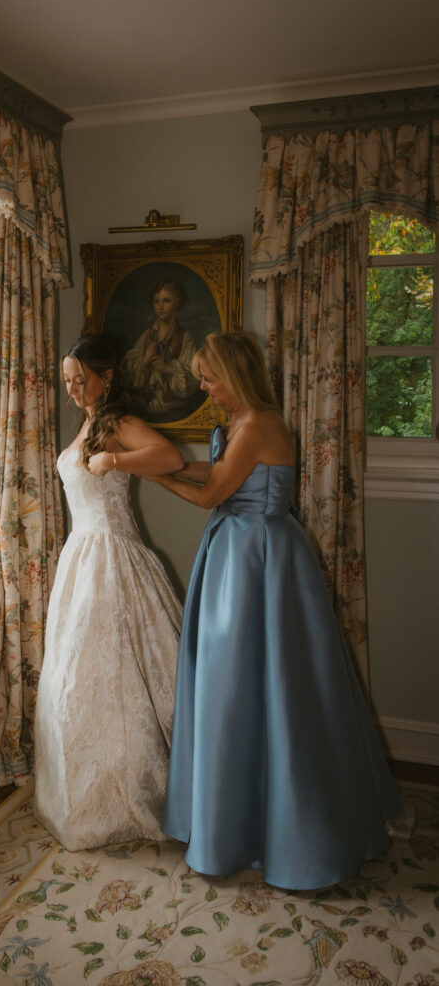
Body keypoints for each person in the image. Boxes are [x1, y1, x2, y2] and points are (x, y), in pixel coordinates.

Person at [146, 331, 403, 890]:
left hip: (260, 561)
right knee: (234, 689)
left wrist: (146, 472)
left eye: (209, 377)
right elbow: (210, 475)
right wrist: (168, 467)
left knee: (272, 688)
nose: (203, 387)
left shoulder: (260, 422)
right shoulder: (239, 423)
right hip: (237, 554)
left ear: (234, 376)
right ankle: (238, 820)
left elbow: (212, 494)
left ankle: (292, 832)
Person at [34, 334, 184, 849]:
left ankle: (135, 795)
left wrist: (113, 462)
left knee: (118, 677)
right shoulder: (88, 422)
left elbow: (167, 456)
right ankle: (87, 793)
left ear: (107, 376)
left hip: (113, 559)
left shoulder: (117, 423)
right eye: (68, 382)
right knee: (78, 677)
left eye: (81, 380)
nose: (73, 390)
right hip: (81, 557)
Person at [121, 279, 201, 421]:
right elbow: (128, 375)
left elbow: (193, 376)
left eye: (166, 301)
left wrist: (167, 368)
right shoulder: (147, 336)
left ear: (178, 303)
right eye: (157, 301)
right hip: (144, 409)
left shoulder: (184, 336)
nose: (160, 306)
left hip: (174, 410)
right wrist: (145, 361)